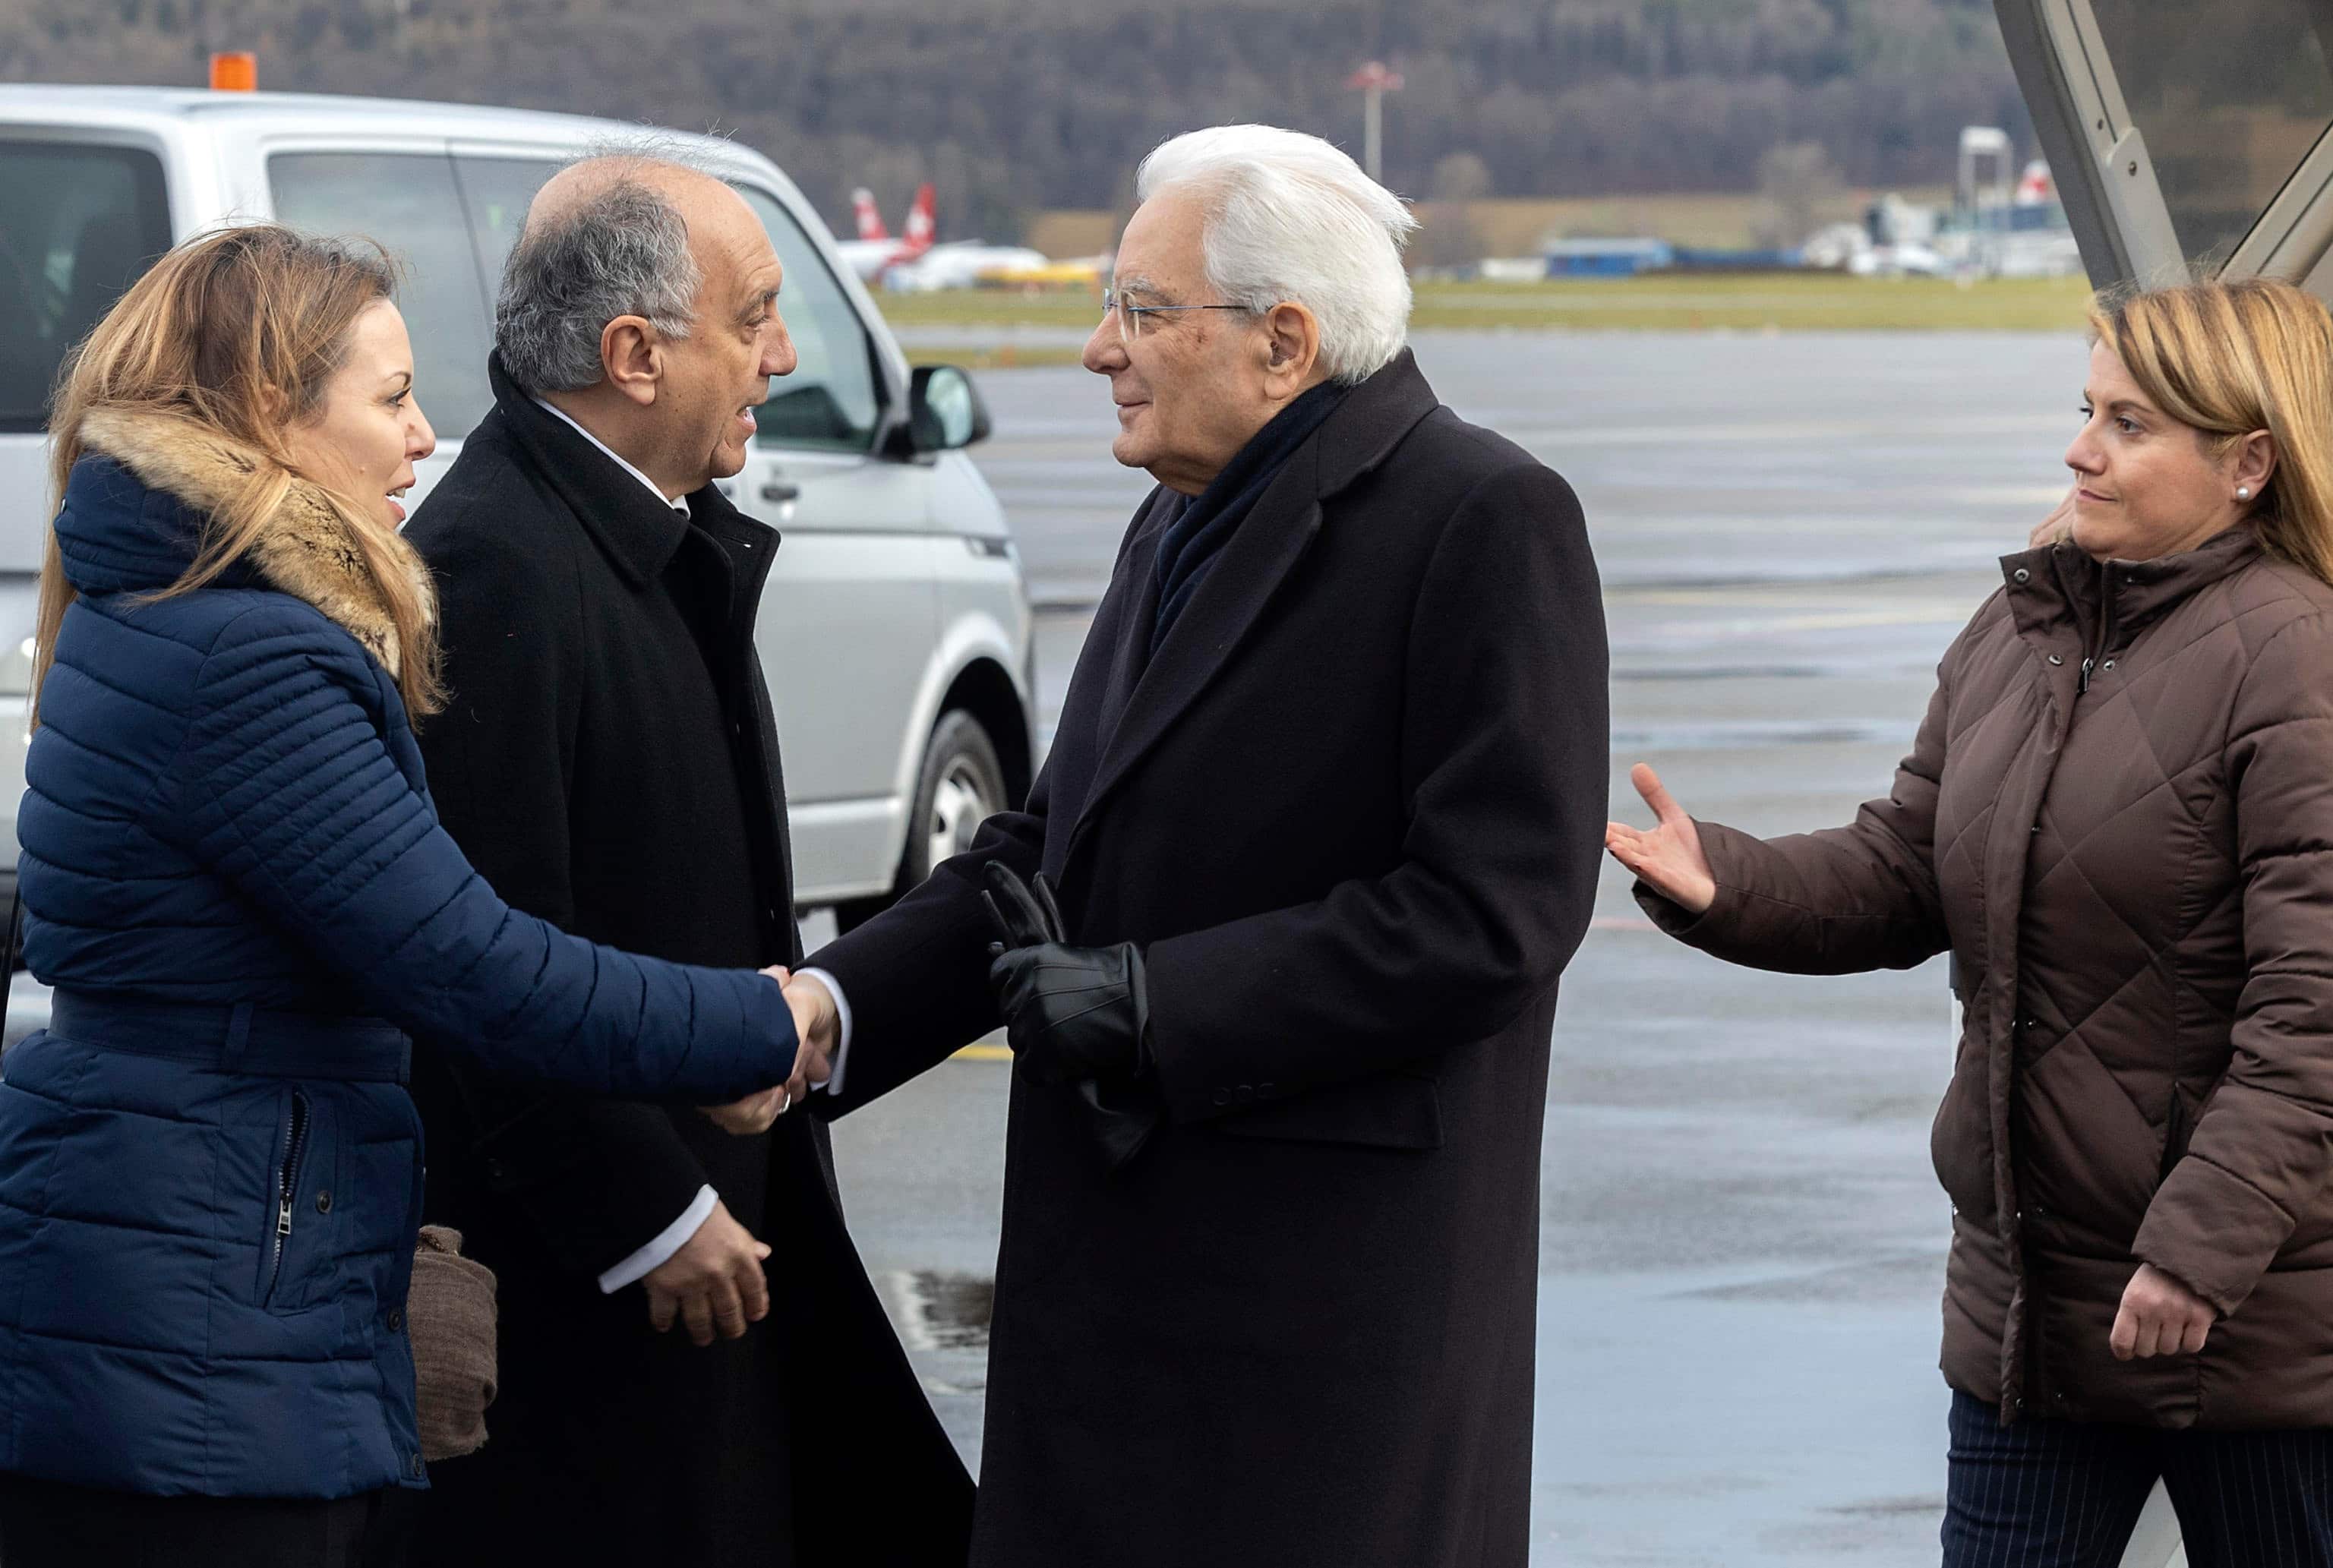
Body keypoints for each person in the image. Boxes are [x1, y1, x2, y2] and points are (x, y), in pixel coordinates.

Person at [783, 124, 1609, 1566]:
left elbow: (1497, 912)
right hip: (1118, 1304)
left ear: (1284, 341)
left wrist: (1164, 1002)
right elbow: (1043, 850)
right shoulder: (1174, 517)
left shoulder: (1481, 516)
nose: (1101, 348)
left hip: (1317, 1326)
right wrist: (828, 1010)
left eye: (1142, 311)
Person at [0, 224, 817, 1567]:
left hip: (169, 1270)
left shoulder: (156, 600)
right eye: (389, 399)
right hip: (201, 1319)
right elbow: (473, 963)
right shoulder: (249, 658)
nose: (425, 438)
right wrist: (755, 1022)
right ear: (272, 412)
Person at [1608, 277, 2333, 1566]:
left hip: (2254, 1332)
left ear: (2248, 463)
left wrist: (2196, 1253)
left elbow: (2316, 1011)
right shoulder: (2025, 625)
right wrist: (1723, 880)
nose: (2079, 447)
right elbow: (1907, 863)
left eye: (2128, 422)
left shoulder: (2300, 661)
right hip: (2032, 1314)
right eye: (2084, 408)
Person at [402, 150, 973, 1566]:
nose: (782, 356)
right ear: (634, 353)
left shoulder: (639, 539)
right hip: (598, 1298)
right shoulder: (495, 567)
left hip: (707, 1252)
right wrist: (646, 1212)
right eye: (757, 316)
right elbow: (477, 958)